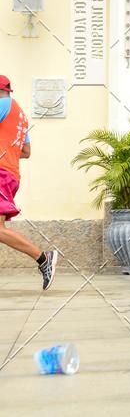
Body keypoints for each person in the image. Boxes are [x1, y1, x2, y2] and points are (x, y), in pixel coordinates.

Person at [0, 75, 58, 289]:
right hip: (11, 174)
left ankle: (43, 259)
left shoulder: (2, 105)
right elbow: (26, 151)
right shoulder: (20, 115)